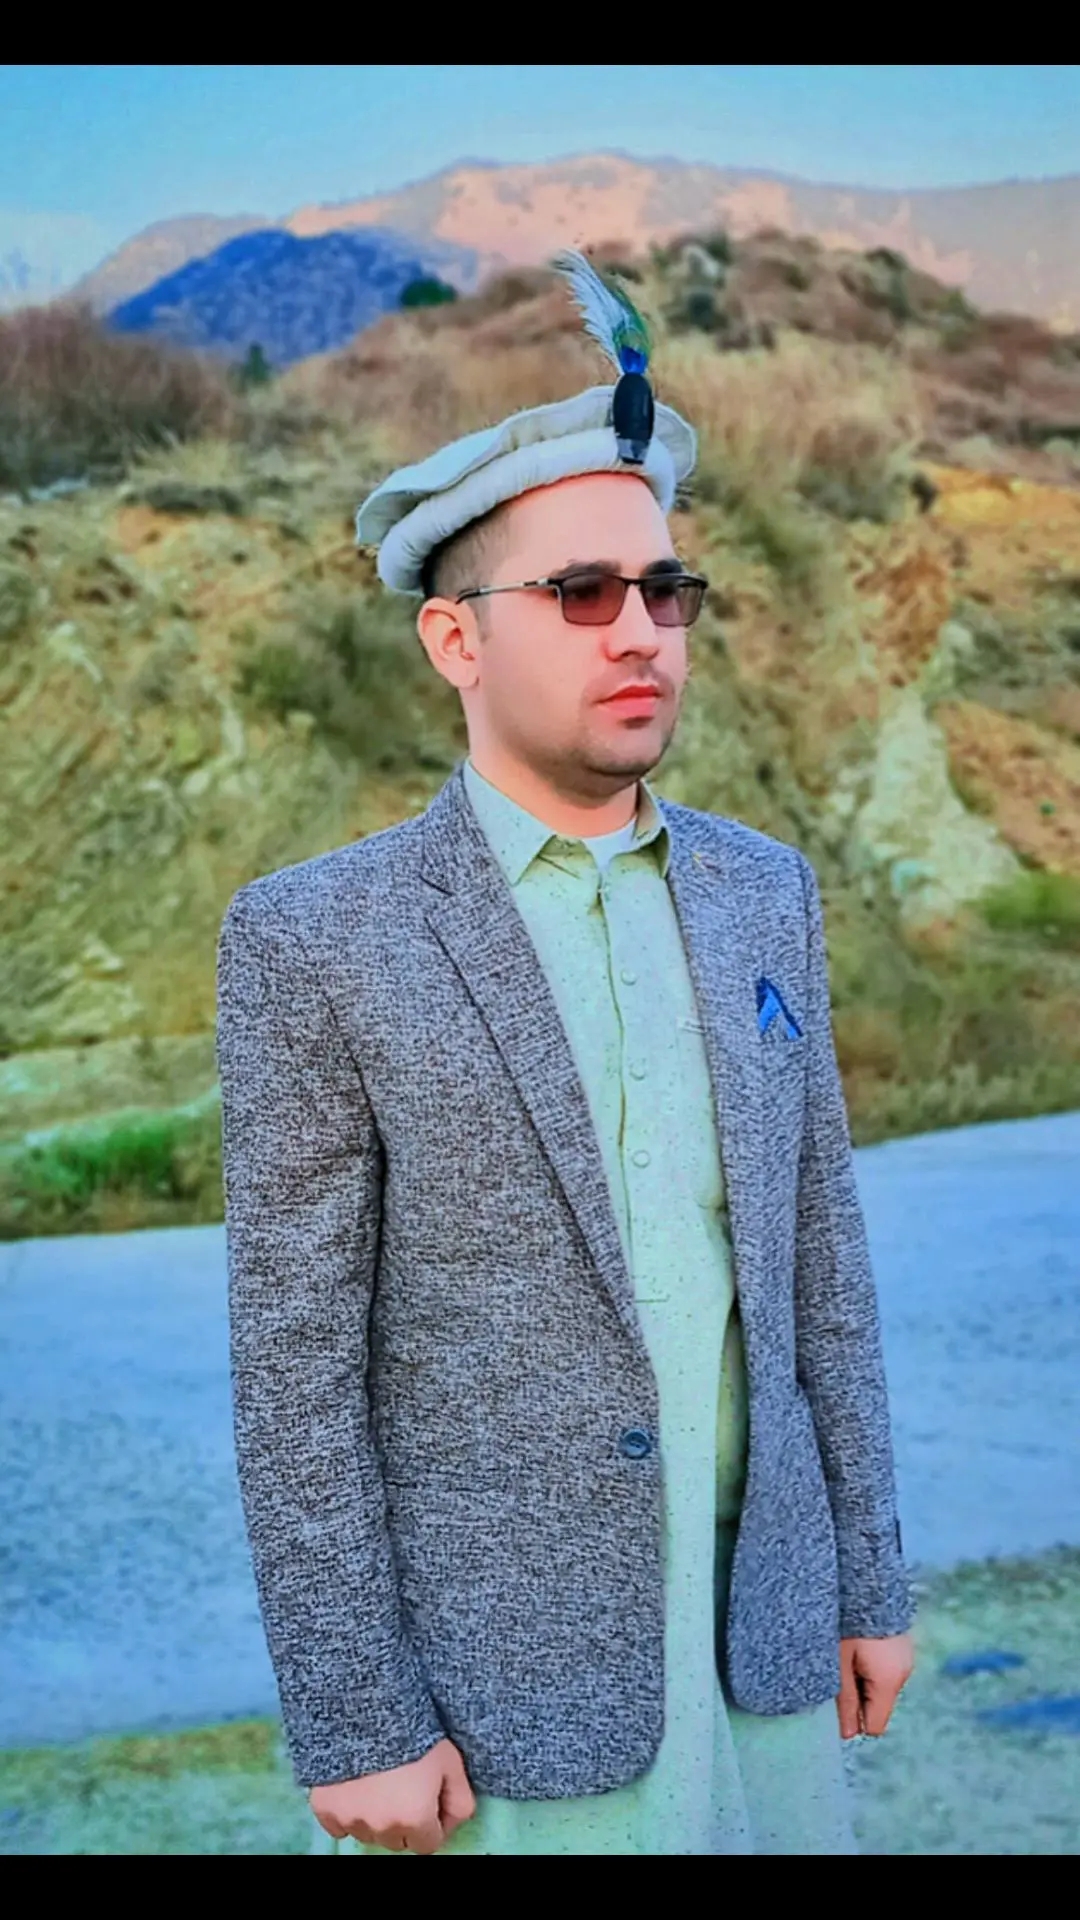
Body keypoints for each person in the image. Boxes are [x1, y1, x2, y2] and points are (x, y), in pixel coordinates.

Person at [214, 253, 915, 1858]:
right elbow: (294, 1371)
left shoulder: (765, 892)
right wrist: (357, 1717)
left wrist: (867, 1576)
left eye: (666, 590)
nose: (640, 632)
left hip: (763, 1639)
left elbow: (821, 1264)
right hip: (499, 1693)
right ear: (453, 641)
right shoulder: (314, 934)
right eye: (581, 594)